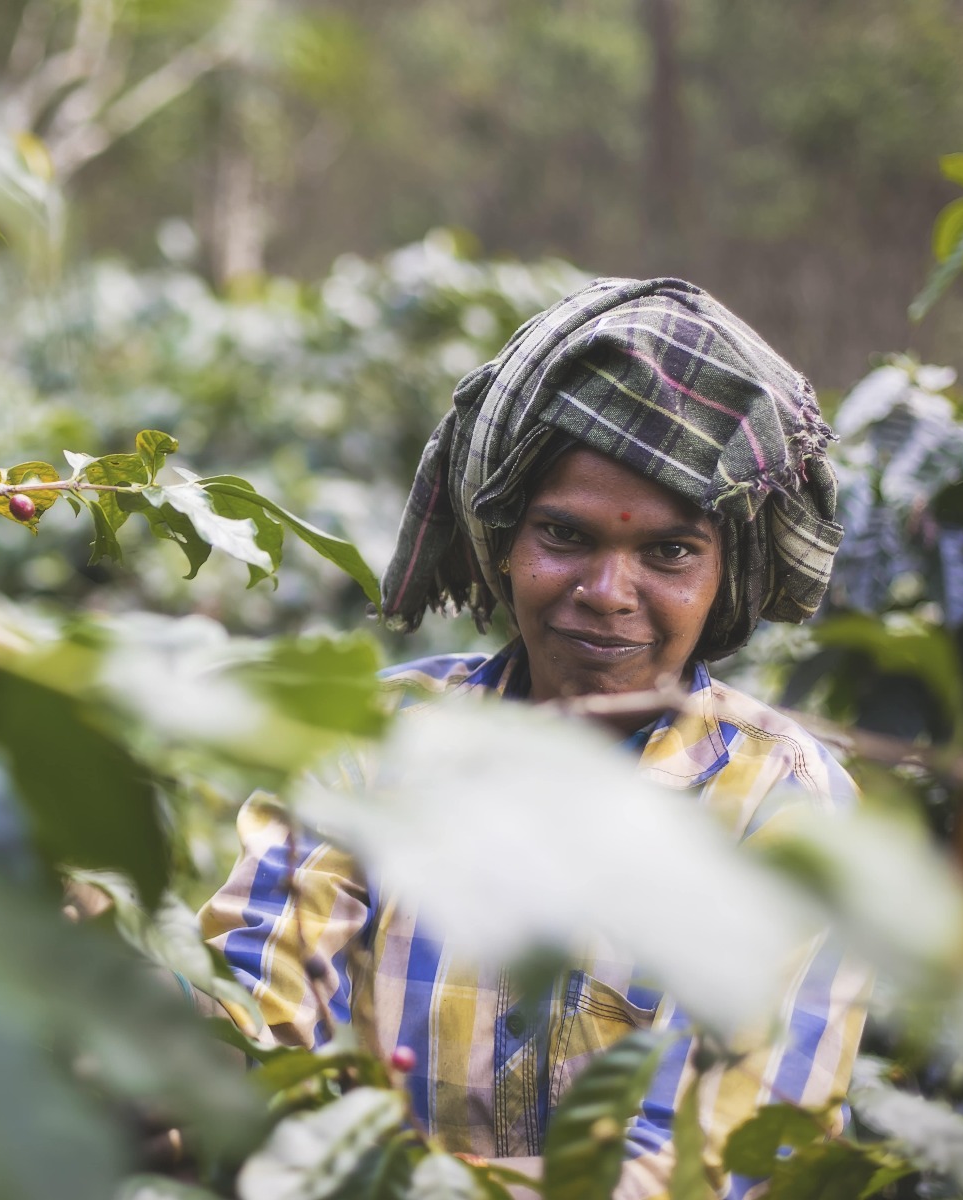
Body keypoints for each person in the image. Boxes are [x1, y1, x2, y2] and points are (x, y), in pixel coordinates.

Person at [199, 278, 870, 1199]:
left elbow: (716, 1165)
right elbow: (252, 1030)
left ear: (726, 574)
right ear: (506, 539)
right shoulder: (364, 748)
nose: (606, 591)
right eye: (564, 534)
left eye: (669, 552)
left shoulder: (786, 805)